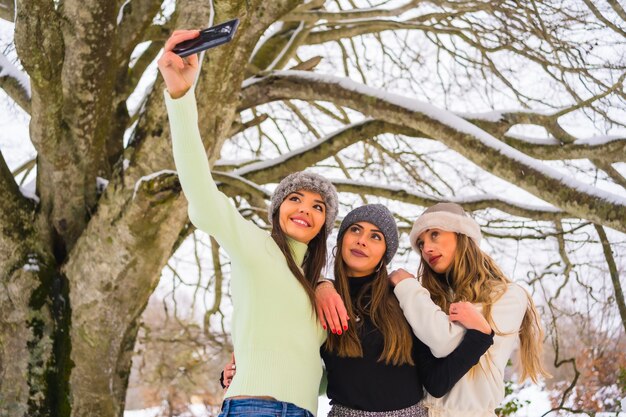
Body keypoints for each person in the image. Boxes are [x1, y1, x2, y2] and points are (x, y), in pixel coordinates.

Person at [158, 30, 339, 417]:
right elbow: (201, 192)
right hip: (254, 406)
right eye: (294, 198)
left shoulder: (319, 286)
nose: (305, 208)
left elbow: (319, 372)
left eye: (318, 205)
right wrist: (180, 97)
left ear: (325, 223)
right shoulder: (254, 246)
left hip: (304, 411)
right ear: (276, 211)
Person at [224, 205, 495, 417]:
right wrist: (242, 367)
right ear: (341, 240)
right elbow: (288, 350)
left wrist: (480, 337)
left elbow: (436, 381)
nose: (362, 240)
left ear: (385, 254)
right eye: (355, 230)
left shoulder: (403, 300)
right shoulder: (318, 299)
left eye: (375, 236)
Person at [388, 202, 549, 417]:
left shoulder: (507, 296)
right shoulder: (427, 300)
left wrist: (406, 286)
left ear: (462, 234)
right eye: (421, 243)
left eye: (434, 234)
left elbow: (445, 341)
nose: (426, 248)